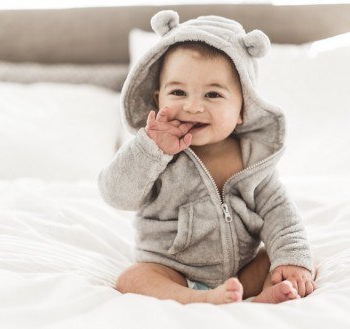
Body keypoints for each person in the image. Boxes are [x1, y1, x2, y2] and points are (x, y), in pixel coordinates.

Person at [98, 10, 315, 304]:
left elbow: (280, 214)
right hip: (171, 269)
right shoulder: (153, 152)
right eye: (178, 92)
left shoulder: (253, 160)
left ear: (242, 109)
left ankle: (263, 295)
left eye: (212, 95)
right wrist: (150, 150)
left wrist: (292, 259)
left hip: (241, 272)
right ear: (157, 98)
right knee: (133, 278)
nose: (193, 107)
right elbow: (116, 195)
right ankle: (196, 298)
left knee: (280, 258)